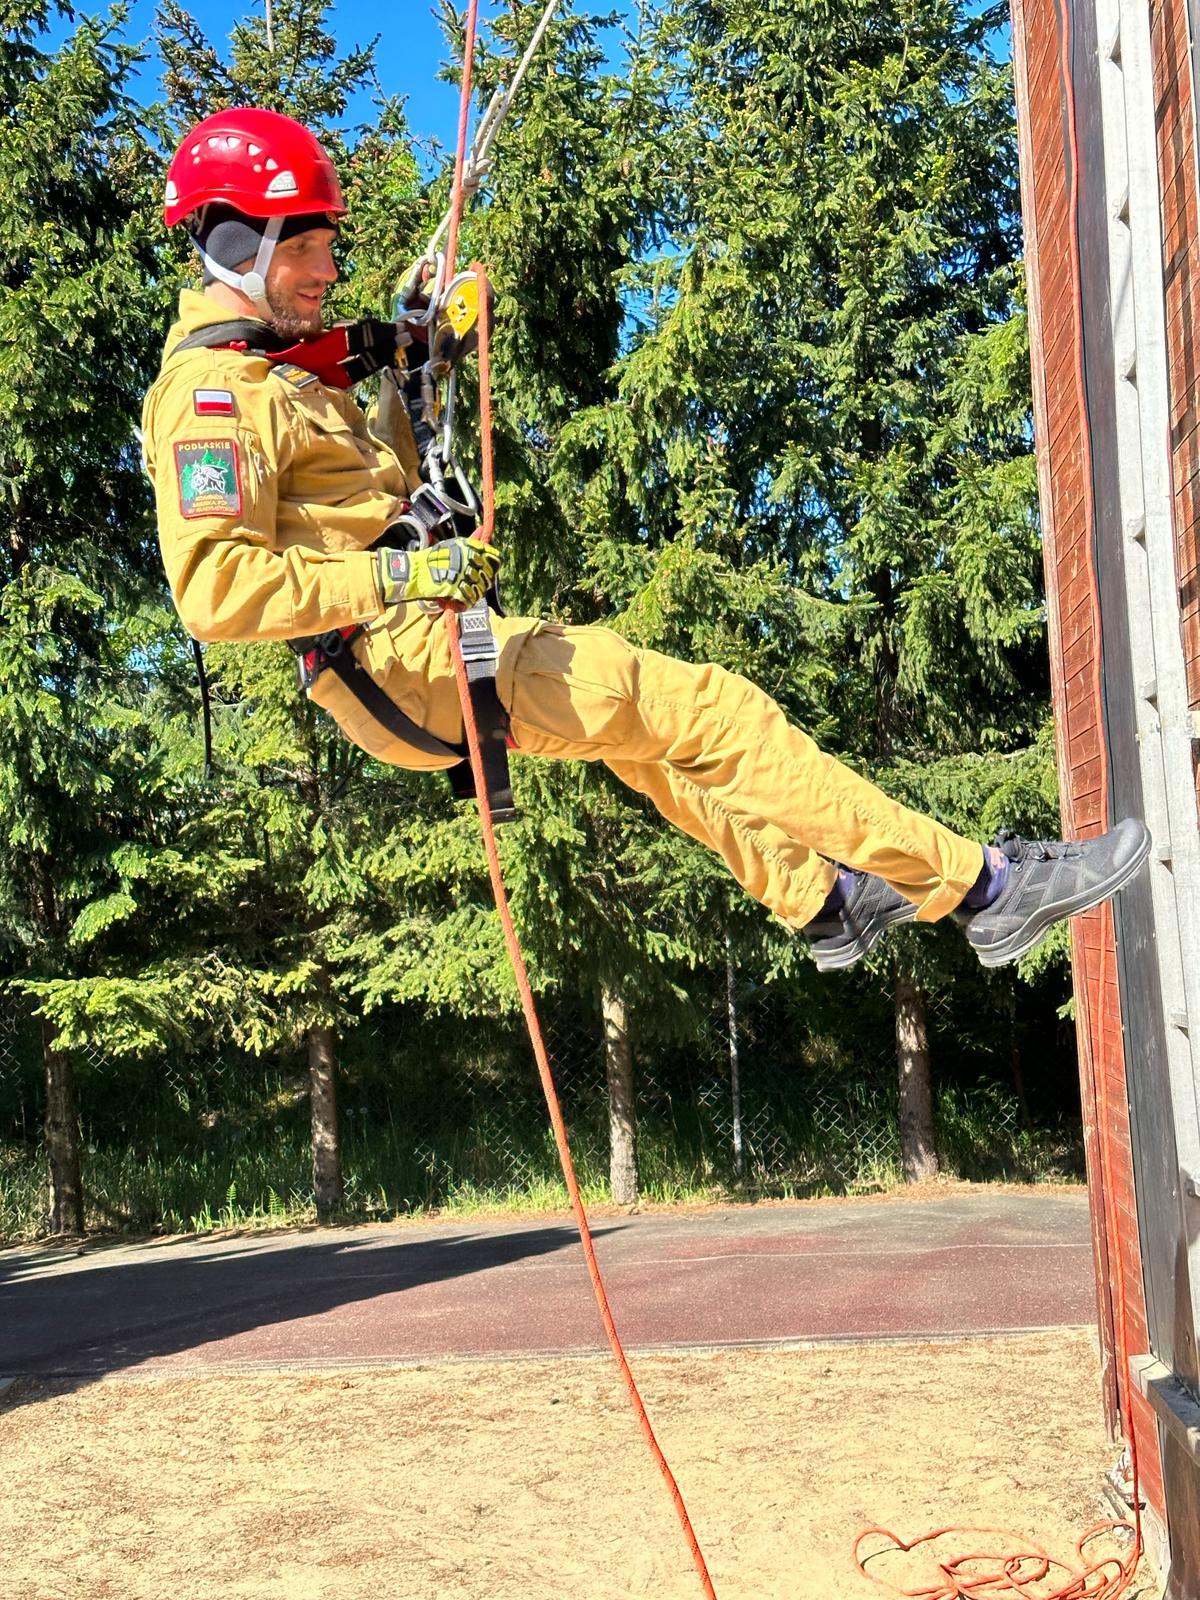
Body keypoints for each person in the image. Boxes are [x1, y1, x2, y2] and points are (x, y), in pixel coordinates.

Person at [142, 108, 1150, 974]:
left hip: (416, 649)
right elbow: (213, 591)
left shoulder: (284, 372)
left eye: (327, 243)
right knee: (710, 711)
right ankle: (985, 888)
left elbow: (370, 491)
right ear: (236, 244)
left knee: (645, 742)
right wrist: (407, 570)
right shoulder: (213, 395)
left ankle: (821, 899)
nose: (327, 268)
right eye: (305, 246)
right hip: (402, 659)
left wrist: (419, 363)